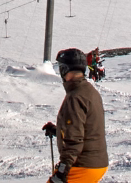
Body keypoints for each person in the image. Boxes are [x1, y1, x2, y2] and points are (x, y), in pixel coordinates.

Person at [42, 48, 108, 183]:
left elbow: (74, 139)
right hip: (96, 164)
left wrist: (62, 171)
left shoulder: (75, 97)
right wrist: (58, 130)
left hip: (83, 164)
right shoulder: (89, 91)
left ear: (65, 70)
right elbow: (83, 127)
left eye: (60, 67)